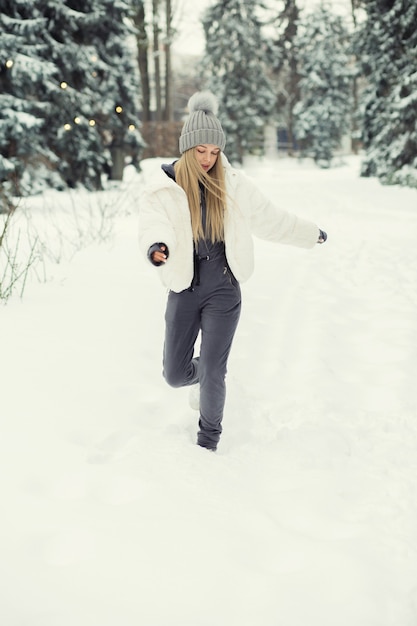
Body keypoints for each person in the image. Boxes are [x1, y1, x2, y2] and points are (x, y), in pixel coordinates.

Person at [138, 91, 327, 452]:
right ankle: (200, 376)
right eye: (201, 151)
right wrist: (157, 248)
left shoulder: (234, 184)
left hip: (223, 287)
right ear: (187, 149)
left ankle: (208, 439)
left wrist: (308, 233)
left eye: (215, 151)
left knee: (214, 369)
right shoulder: (164, 188)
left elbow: (272, 219)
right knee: (175, 375)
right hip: (184, 287)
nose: (209, 159)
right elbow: (152, 225)